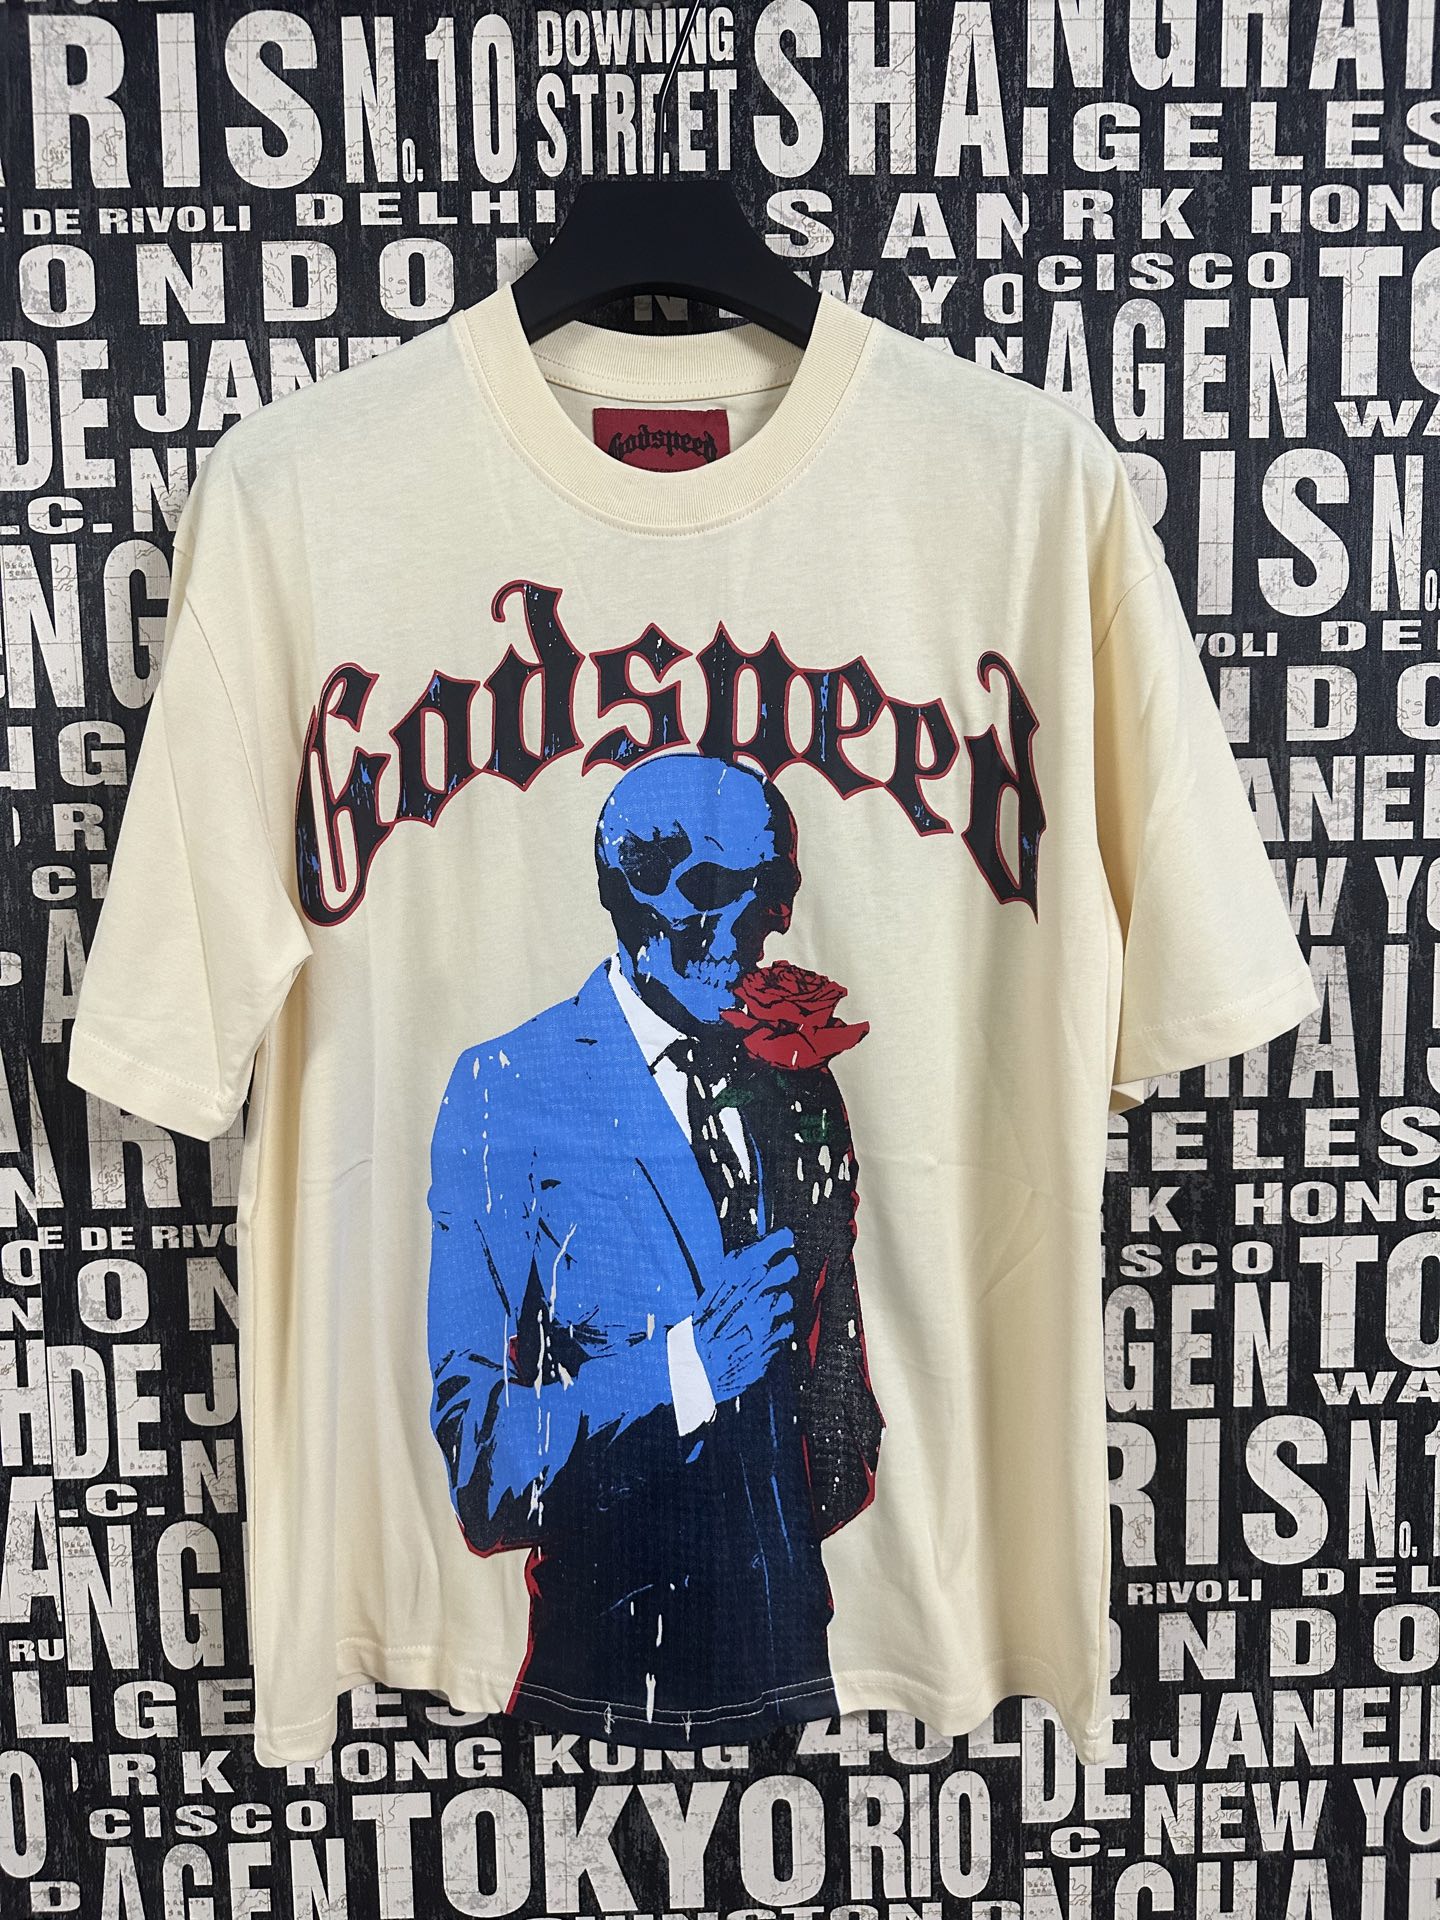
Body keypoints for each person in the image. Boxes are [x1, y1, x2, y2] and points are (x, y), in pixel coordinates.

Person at [425, 750, 884, 1743]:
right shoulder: (509, 1088)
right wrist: (686, 1371)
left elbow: (843, 1438)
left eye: (768, 889)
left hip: (794, 1688)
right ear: (623, 895)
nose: (750, 929)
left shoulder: (797, 1092)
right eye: (707, 891)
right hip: (606, 1695)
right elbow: (482, 1469)